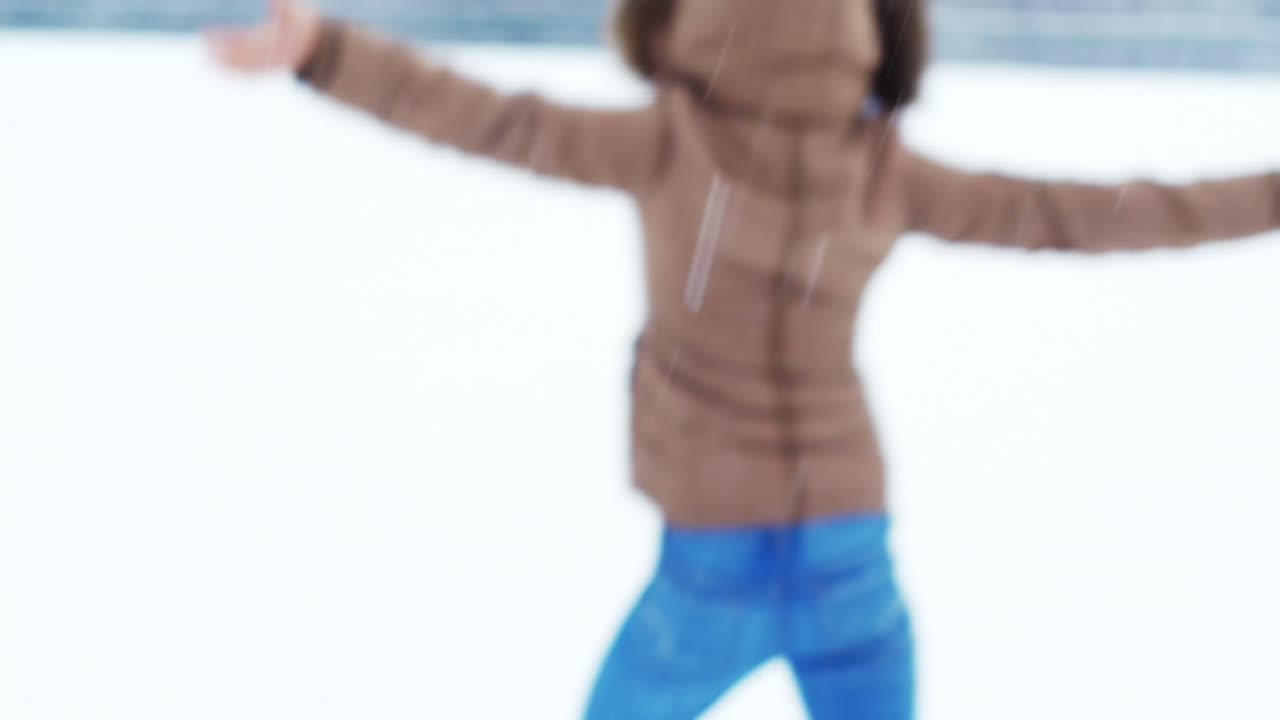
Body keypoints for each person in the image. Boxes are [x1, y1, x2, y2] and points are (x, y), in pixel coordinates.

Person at [205, 1, 1280, 717]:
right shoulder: (878, 170)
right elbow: (1083, 216)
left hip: (708, 562)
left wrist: (324, 53)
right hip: (850, 551)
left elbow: (492, 121)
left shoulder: (670, 144)